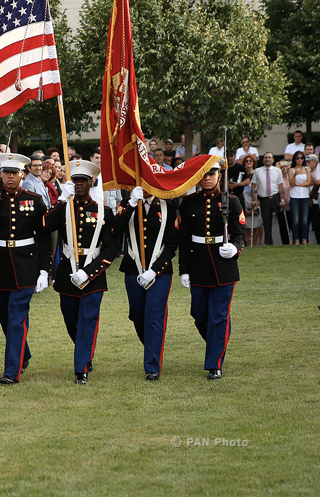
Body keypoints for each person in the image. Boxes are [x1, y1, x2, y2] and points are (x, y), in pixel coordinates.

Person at [0, 153, 50, 385]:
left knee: (17, 318)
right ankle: (23, 353)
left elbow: (45, 238)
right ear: (1, 175)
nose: (10, 177)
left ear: (22, 175)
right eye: (6, 172)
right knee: (5, 316)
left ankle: (11, 371)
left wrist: (45, 270)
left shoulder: (35, 200)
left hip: (26, 265)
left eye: (15, 173)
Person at [45, 160, 118, 385]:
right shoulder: (64, 207)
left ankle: (81, 368)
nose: (78, 185)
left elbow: (110, 248)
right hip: (68, 271)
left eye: (82, 181)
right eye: (75, 180)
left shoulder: (102, 211)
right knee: (71, 321)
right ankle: (84, 352)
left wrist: (89, 272)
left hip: (93, 274)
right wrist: (59, 201)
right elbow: (46, 225)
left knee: (88, 321)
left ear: (91, 183)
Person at [178, 158, 245, 380]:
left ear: (219, 176)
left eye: (212, 174)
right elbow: (184, 239)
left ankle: (214, 364)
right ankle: (219, 341)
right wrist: (183, 270)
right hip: (198, 264)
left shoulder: (232, 201)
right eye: (203, 175)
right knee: (198, 315)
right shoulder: (188, 202)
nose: (207, 178)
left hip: (223, 266)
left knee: (218, 317)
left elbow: (239, 234)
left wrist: (235, 249)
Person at [112, 186, 178, 381]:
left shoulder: (167, 207)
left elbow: (173, 243)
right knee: (137, 314)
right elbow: (116, 228)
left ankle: (152, 366)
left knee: (154, 316)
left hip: (160, 271)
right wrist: (132, 203)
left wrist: (155, 270)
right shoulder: (127, 204)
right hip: (133, 268)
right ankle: (151, 345)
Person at [250, 152, 285, 245]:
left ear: (273, 160)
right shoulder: (257, 171)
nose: (267, 159)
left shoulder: (278, 171)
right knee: (266, 222)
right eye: (266, 158)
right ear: (263, 159)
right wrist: (254, 199)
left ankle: (285, 241)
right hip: (264, 199)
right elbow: (253, 186)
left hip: (275, 197)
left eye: (269, 158)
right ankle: (268, 242)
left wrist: (282, 200)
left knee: (281, 220)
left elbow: (281, 186)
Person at [288, 151, 314, 244]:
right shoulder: (291, 170)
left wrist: (298, 184)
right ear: (295, 159)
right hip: (294, 196)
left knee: (304, 219)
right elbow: (291, 184)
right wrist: (295, 175)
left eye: (301, 158)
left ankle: (304, 239)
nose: (299, 160)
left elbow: (309, 182)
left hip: (305, 196)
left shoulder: (307, 169)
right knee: (295, 220)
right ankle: (296, 240)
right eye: (298, 158)